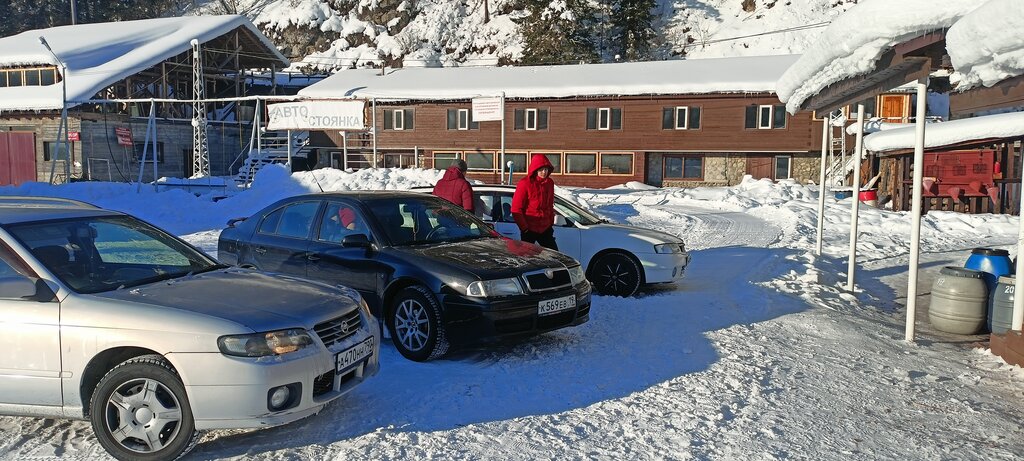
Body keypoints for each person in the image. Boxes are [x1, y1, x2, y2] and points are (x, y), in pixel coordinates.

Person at [511, 154, 558, 250]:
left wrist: (550, 222)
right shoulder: (524, 183)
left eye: (546, 169)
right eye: (541, 169)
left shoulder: (549, 183)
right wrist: (524, 228)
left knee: (555, 255)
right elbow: (516, 208)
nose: (544, 172)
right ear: (535, 169)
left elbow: (550, 204)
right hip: (529, 228)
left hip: (545, 228)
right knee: (526, 256)